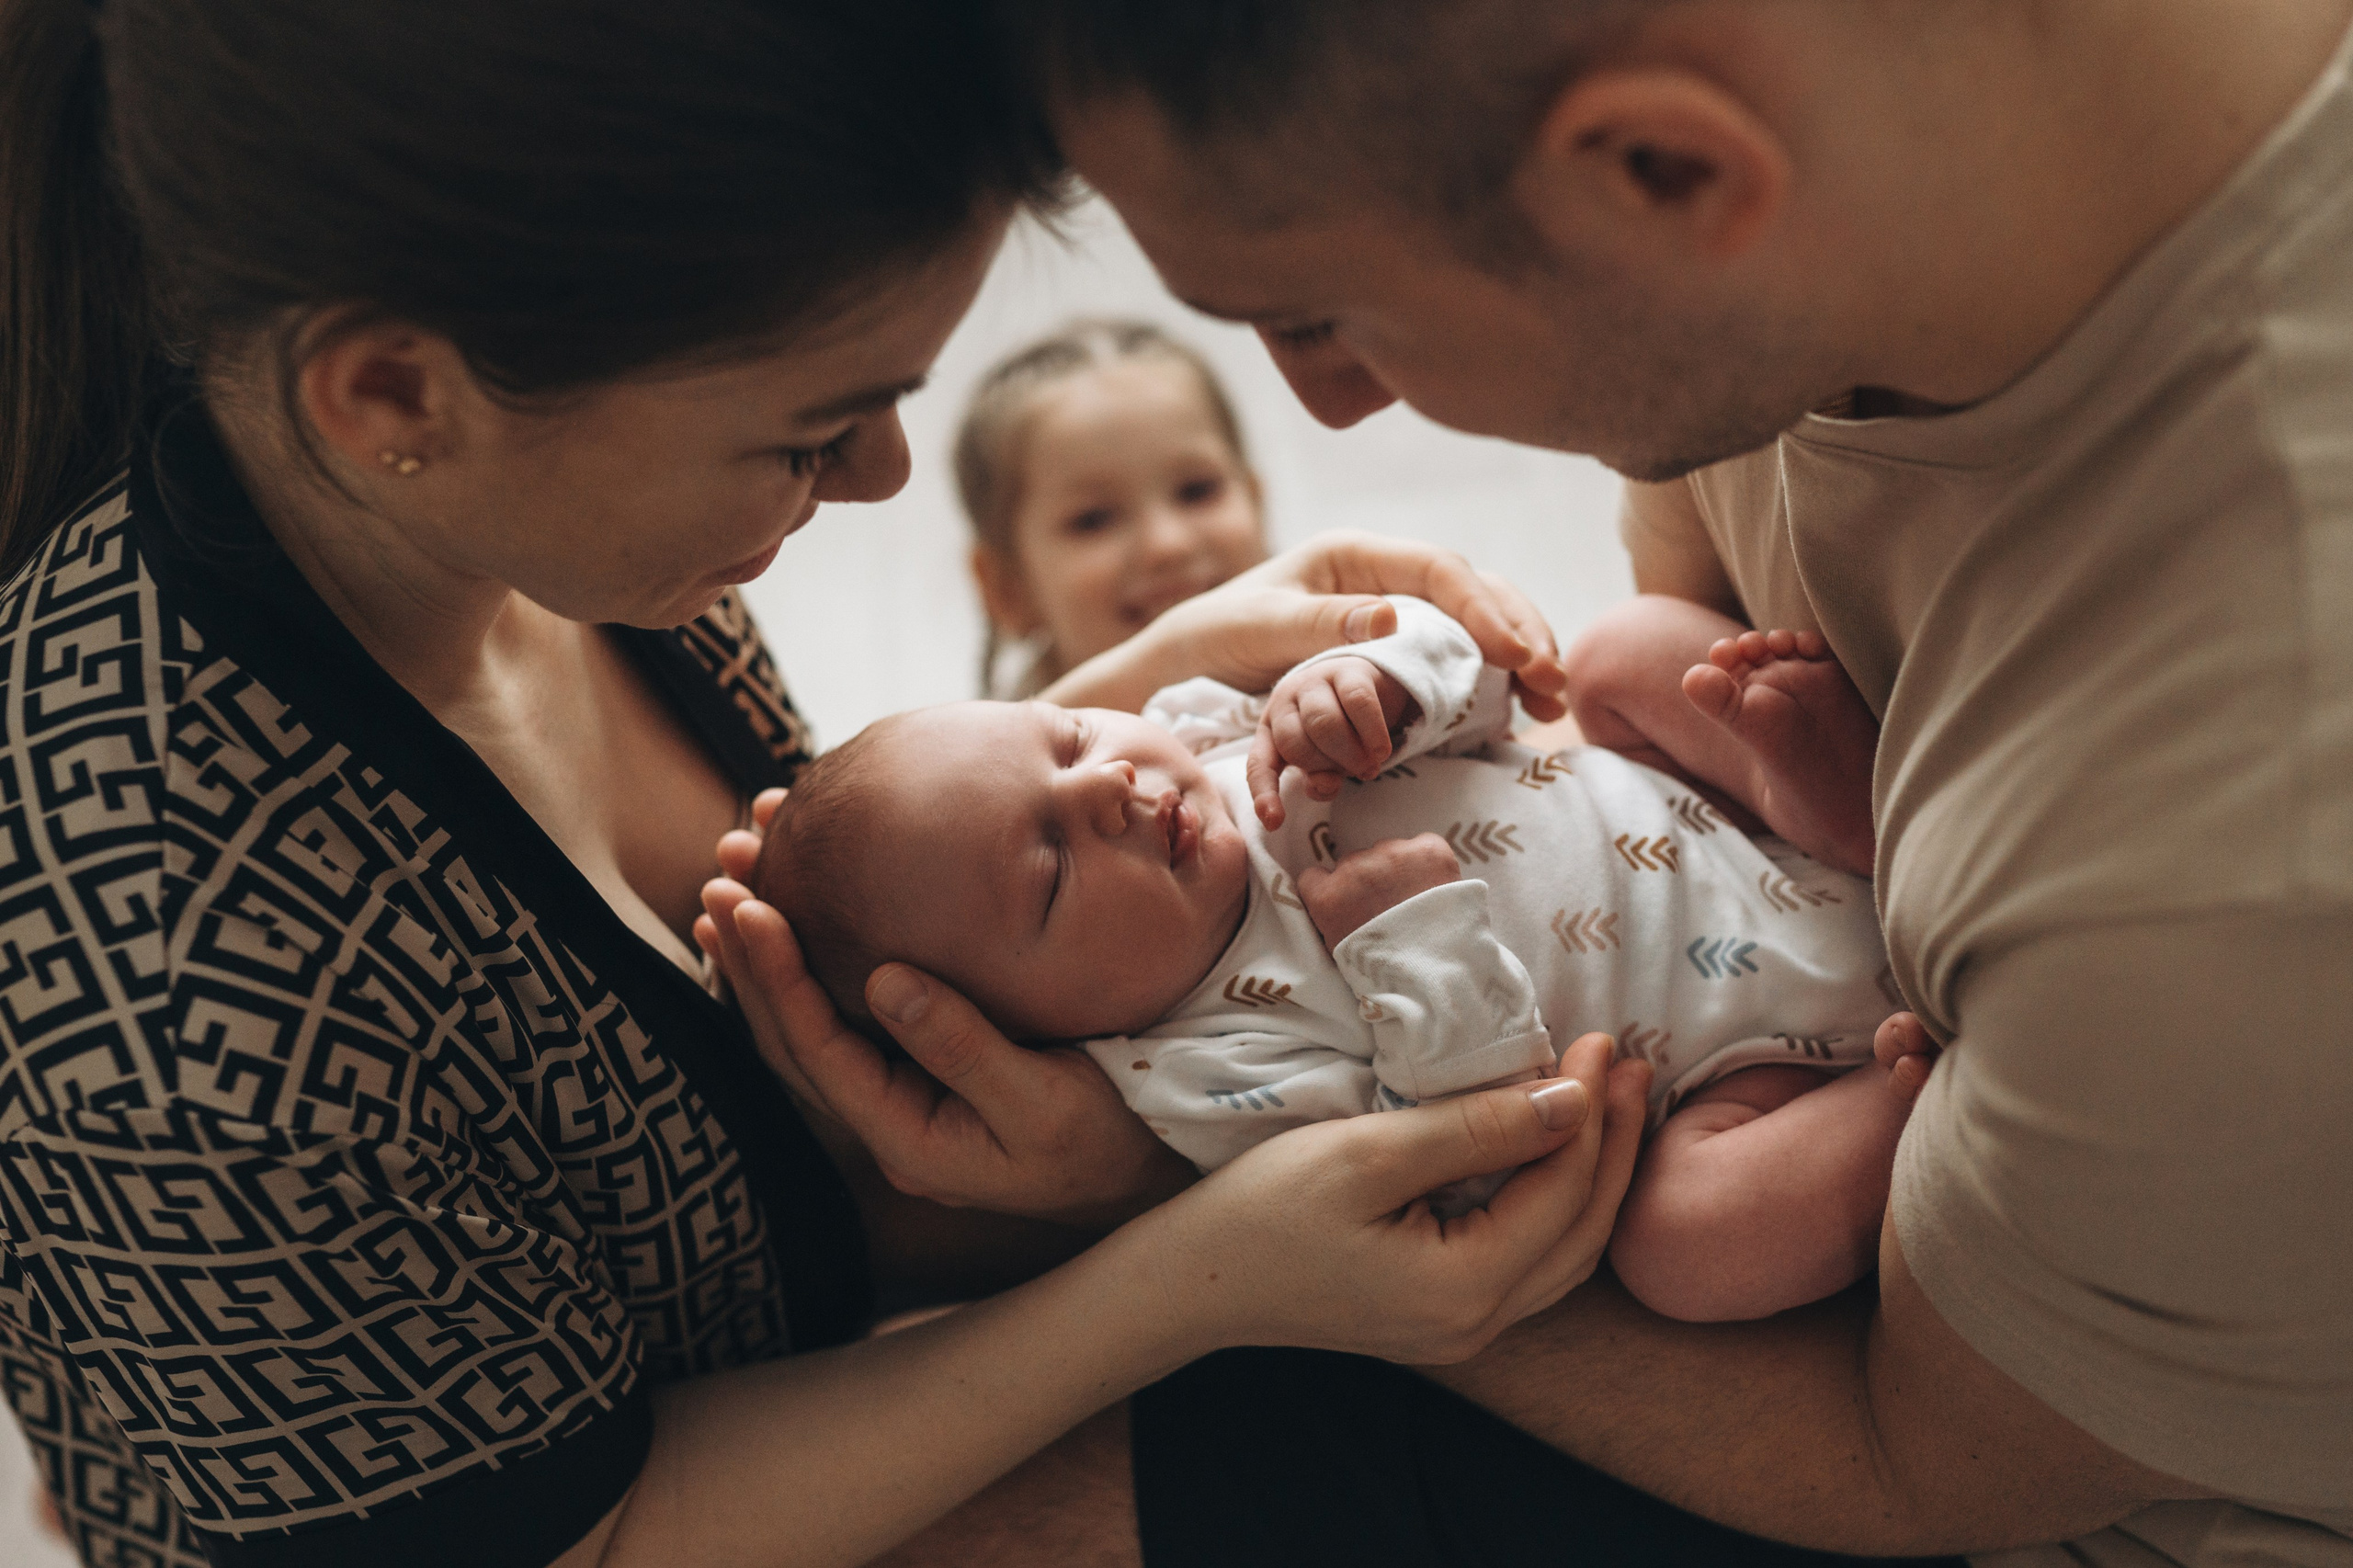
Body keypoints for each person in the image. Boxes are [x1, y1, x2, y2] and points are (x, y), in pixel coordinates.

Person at [0, 4, 1643, 1566]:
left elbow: (790, 934)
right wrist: (1182, 1276)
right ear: (398, 398)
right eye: (809, 434)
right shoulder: (182, 979)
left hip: (804, 1286)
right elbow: (566, 1533)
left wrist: (1147, 678)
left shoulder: (509, 517)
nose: (878, 484)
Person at [919, 0, 2347, 1564]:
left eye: (1319, 309)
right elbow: (1629, 685)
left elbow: (1897, 1464)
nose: (1330, 407)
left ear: (1661, 170)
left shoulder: (2245, 864)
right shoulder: (1803, 245)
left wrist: (1191, 1216)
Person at [755, 593, 1916, 1318]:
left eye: (1066, 737)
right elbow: (1457, 1162)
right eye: (1050, 870)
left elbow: (1489, 681)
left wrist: (1379, 685)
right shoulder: (1197, 1072)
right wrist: (1411, 943)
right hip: (1746, 1066)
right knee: (1689, 1248)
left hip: (1723, 818)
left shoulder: (1220, 732)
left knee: (1619, 652)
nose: (1105, 787)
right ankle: (1913, 1086)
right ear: (1036, 1030)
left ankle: (1822, 799)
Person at [956, 318, 1267, 699]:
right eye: (1093, 520)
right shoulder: (1000, 757)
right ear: (1008, 588)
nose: (1167, 545)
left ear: (1256, 503)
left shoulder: (1351, 669)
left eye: (1197, 490)